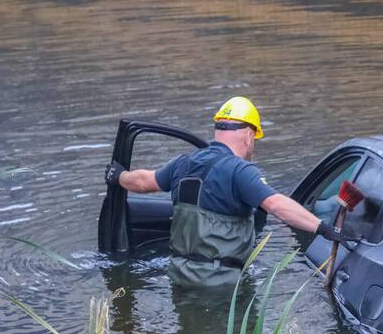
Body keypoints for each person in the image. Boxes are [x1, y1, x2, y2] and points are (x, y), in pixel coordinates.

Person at [104, 96, 354, 286]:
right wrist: (323, 228)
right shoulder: (240, 171)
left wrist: (118, 176)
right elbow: (277, 205)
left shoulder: (184, 163)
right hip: (221, 284)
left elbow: (143, 182)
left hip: (180, 276)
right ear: (247, 135)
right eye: (254, 138)